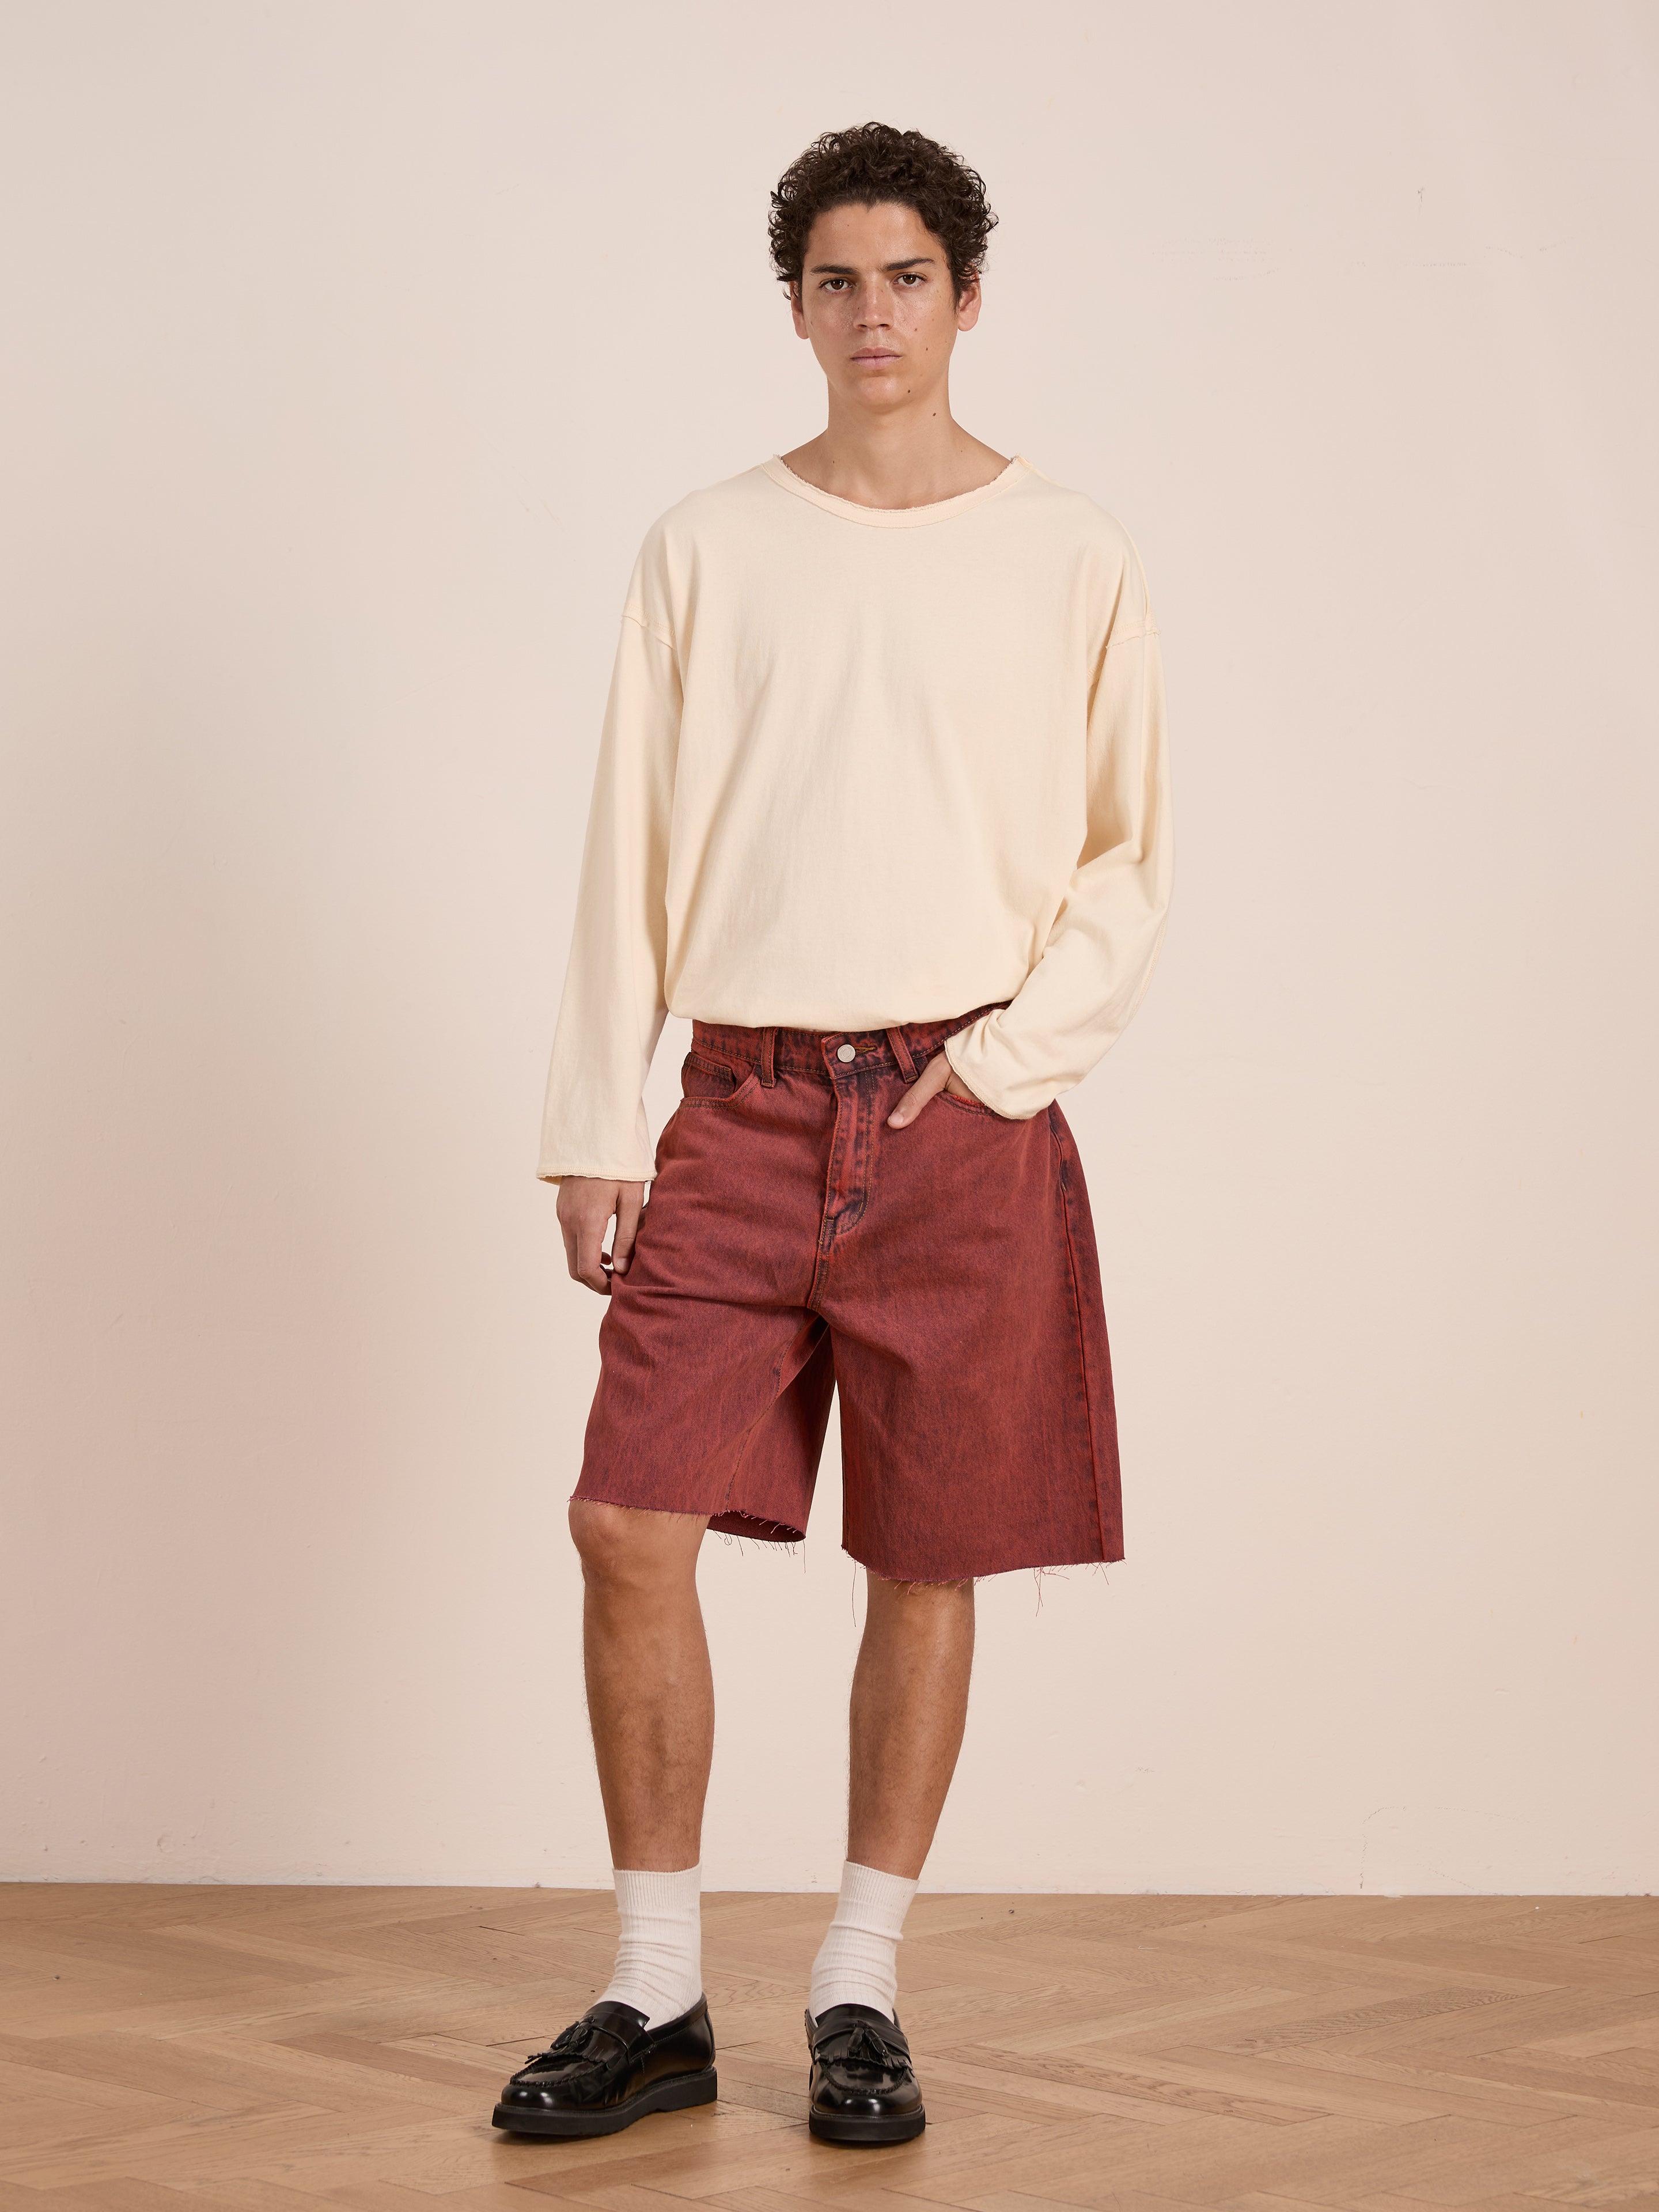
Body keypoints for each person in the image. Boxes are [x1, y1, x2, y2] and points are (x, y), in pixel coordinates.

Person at [493, 120, 1173, 2149]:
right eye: (835, 282)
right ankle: (656, 1985)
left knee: (926, 1554)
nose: (874, 314)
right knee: (628, 1521)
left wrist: (1012, 1062)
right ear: (794, 308)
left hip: (963, 1110)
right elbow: (628, 845)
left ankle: (861, 1984)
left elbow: (1131, 855)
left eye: (907, 278)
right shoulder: (707, 546)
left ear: (969, 297)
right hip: (741, 1103)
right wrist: (592, 1119)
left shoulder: (1071, 550)